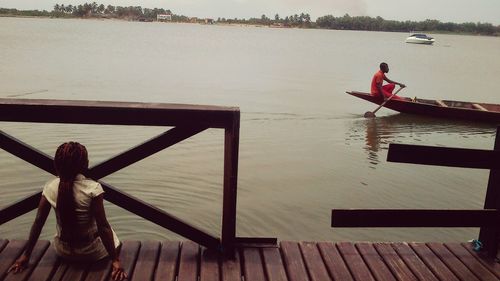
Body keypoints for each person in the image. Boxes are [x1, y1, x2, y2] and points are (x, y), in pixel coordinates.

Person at [8, 142, 127, 281]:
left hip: (62, 251)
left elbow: (38, 222)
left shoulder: (50, 187)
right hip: (91, 253)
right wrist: (115, 261)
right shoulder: (93, 189)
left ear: (56, 165)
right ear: (85, 165)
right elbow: (103, 227)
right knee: (111, 232)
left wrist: (26, 255)